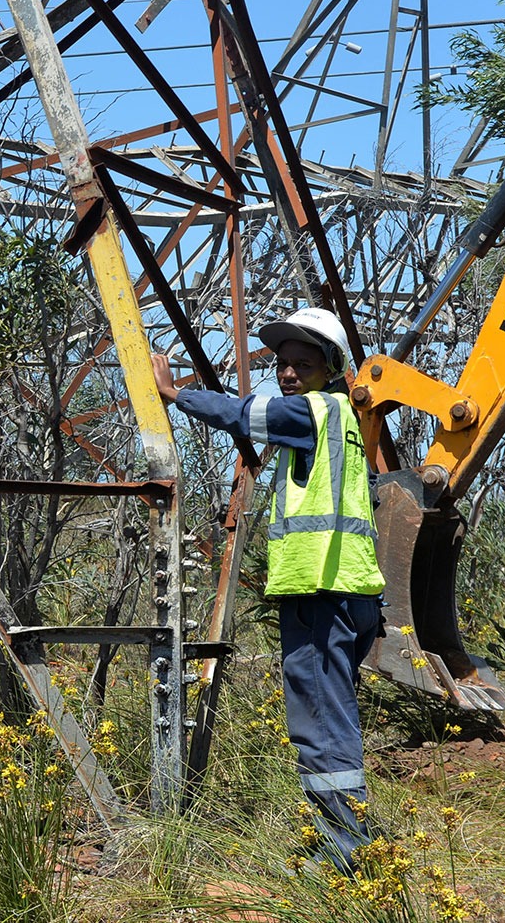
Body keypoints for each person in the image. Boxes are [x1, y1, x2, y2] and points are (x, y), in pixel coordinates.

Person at [151, 308, 384, 874]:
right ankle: (347, 841)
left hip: (320, 589)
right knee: (334, 717)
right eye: (281, 364)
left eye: (302, 363)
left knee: (321, 723)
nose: (287, 373)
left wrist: (175, 393)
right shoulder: (346, 421)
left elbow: (242, 413)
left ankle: (345, 858)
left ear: (329, 368)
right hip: (350, 590)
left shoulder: (315, 412)